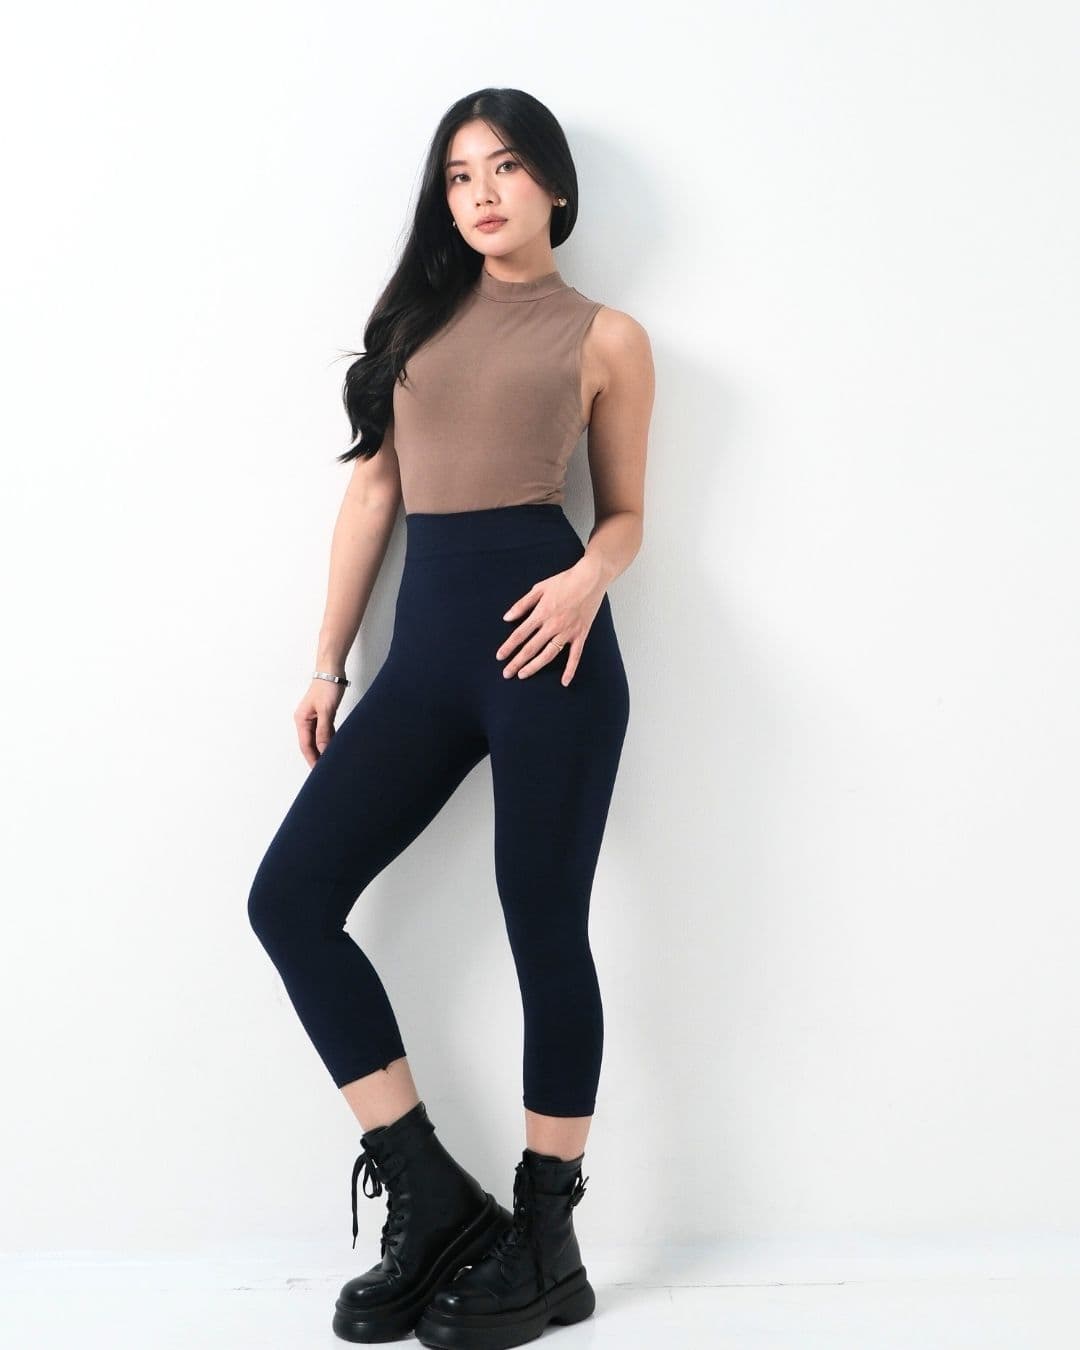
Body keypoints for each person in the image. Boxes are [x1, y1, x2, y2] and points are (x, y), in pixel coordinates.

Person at [247, 87, 654, 1350]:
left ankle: (549, 1240)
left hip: (551, 656)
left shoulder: (606, 336)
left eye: (507, 167)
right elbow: (373, 496)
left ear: (555, 187)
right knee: (290, 901)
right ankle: (429, 1197)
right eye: (461, 174)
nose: (481, 193)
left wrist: (589, 576)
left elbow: (627, 513)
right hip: (423, 669)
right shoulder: (416, 323)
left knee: (544, 929)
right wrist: (327, 665)